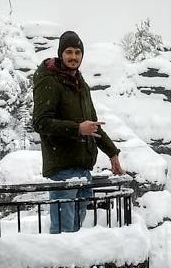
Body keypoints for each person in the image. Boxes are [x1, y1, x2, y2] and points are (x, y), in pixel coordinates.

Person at [32, 30, 123, 234]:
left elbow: (93, 125)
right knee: (63, 232)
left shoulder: (81, 85)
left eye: (78, 52)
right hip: (62, 169)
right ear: (61, 54)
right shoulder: (50, 81)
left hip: (83, 170)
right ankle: (60, 266)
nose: (73, 57)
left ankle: (74, 267)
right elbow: (40, 122)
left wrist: (113, 153)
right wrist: (77, 129)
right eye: (69, 52)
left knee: (76, 230)